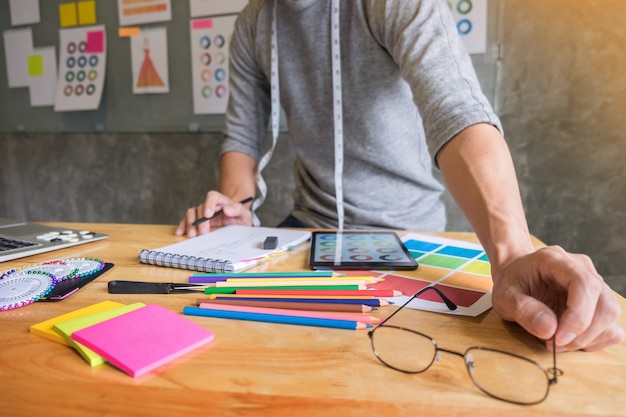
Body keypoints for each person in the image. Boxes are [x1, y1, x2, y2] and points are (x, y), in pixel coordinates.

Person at [177, 0, 624, 351]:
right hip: (310, 228)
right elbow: (243, 139)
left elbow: (456, 111)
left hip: (408, 230)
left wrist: (510, 256)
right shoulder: (255, 23)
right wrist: (237, 208)